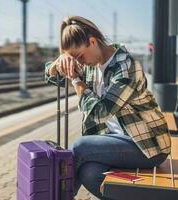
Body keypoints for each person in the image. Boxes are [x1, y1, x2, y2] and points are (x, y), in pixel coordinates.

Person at [45, 16, 171, 200]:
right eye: (74, 58)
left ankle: (54, 196)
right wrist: (57, 65)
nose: (79, 62)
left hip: (147, 146)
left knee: (80, 147)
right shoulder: (89, 64)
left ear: (92, 41)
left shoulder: (126, 66)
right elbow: (54, 77)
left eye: (79, 56)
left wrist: (76, 81)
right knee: (89, 173)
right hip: (115, 142)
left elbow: (100, 112)